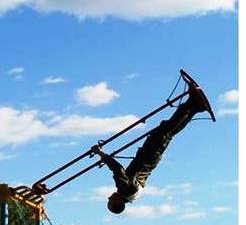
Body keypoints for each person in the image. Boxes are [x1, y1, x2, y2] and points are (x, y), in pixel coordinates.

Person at [91, 84, 214, 214]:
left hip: (152, 158)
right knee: (166, 129)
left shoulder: (132, 195)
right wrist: (100, 154)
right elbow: (117, 169)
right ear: (118, 203)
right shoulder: (124, 190)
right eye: (110, 201)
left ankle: (194, 105)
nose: (109, 197)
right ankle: (194, 104)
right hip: (148, 155)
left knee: (168, 131)